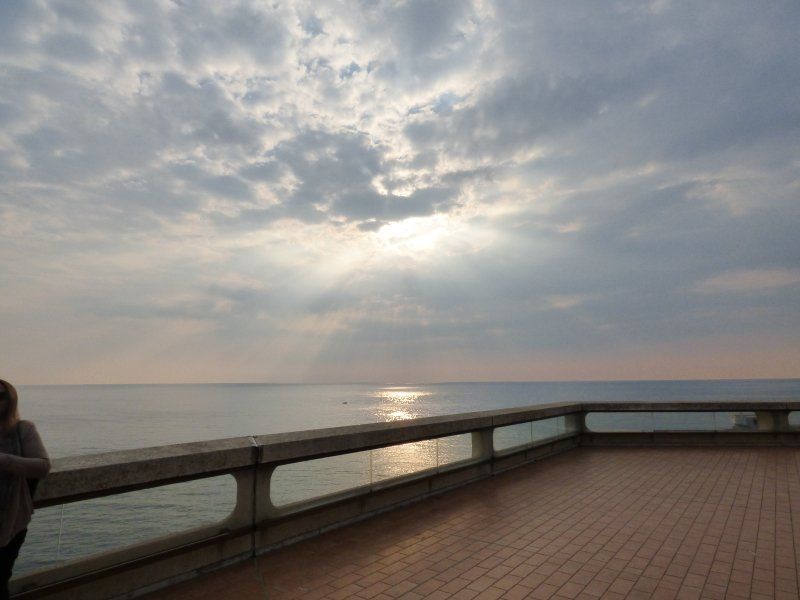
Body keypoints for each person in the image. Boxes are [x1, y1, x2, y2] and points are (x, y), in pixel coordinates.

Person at [0, 380, 49, 599]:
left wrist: (3, 460)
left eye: (0, 395)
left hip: (10, 520)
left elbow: (42, 465)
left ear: (10, 401)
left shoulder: (23, 429)